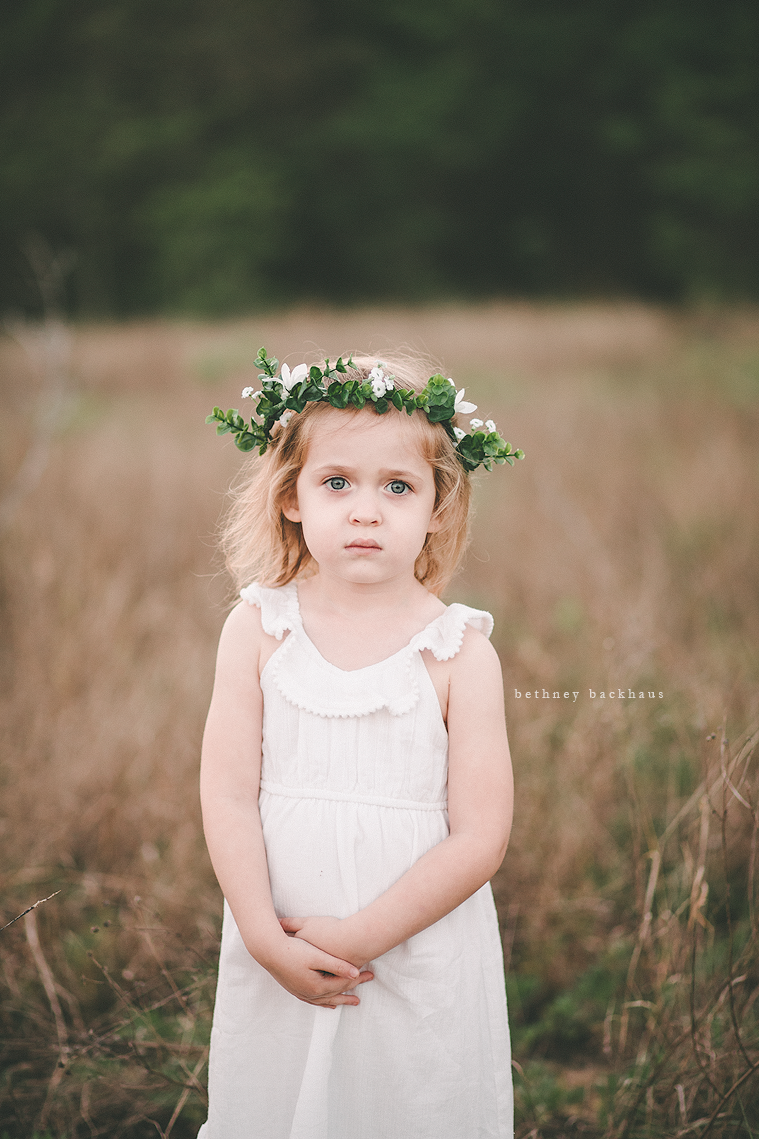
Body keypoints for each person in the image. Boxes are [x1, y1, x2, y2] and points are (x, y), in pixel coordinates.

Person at [198, 350, 523, 1139]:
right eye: (336, 482)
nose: (365, 510)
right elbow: (227, 792)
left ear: (438, 506)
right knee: (282, 1106)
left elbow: (481, 836)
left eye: (398, 487)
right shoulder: (257, 628)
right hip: (278, 938)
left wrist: (356, 939)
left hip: (409, 949)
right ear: (290, 498)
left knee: (404, 1102)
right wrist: (264, 938)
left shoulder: (457, 651)